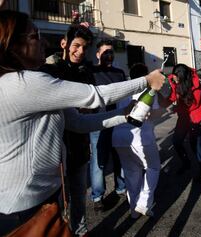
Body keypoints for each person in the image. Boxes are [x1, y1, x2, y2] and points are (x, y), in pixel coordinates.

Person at [0, 10, 164, 236]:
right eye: (35, 36)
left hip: (44, 192)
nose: (43, 42)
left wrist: (123, 115)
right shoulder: (23, 82)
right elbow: (96, 95)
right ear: (13, 45)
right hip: (24, 204)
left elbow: (77, 122)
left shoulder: (31, 80)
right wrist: (146, 80)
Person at [41, 23, 96, 236]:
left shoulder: (86, 72)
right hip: (53, 152)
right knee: (57, 202)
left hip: (80, 147)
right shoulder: (48, 71)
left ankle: (81, 231)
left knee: (79, 196)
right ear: (64, 43)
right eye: (77, 45)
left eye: (85, 47)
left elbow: (93, 106)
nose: (80, 52)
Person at [113, 63, 162, 218]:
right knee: (153, 168)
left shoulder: (124, 89)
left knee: (131, 173)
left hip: (119, 137)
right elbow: (153, 114)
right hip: (142, 137)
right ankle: (144, 203)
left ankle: (134, 209)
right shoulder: (148, 90)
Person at [89, 39, 126, 212]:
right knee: (98, 161)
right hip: (98, 123)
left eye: (111, 52)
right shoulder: (91, 72)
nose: (109, 55)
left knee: (120, 157)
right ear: (97, 54)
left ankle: (121, 187)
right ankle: (97, 196)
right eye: (105, 52)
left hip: (118, 121)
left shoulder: (119, 73)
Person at [167, 63, 201, 181]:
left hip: (196, 116)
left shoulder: (195, 84)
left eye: (175, 75)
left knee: (195, 144)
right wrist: (172, 84)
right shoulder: (176, 82)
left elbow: (194, 105)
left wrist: (178, 107)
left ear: (181, 75)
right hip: (183, 117)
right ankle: (186, 162)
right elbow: (173, 98)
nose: (173, 77)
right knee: (176, 141)